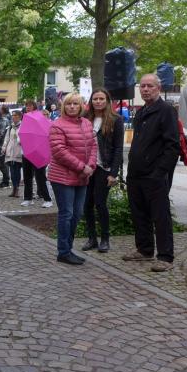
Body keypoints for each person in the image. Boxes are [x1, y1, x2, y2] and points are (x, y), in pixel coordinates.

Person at [123, 74, 180, 273]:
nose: (145, 89)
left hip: (154, 174)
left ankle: (165, 256)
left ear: (158, 88)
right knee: (139, 214)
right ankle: (145, 249)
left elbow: (173, 146)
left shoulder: (166, 111)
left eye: (150, 86)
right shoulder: (141, 112)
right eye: (143, 86)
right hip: (136, 173)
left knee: (160, 216)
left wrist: (160, 171)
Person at [49, 93, 97, 265]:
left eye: (75, 104)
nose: (72, 107)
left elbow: (93, 146)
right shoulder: (58, 125)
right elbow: (59, 152)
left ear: (81, 106)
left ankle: (68, 249)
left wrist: (90, 166)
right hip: (62, 177)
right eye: (68, 104)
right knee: (67, 214)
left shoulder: (86, 123)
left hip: (82, 176)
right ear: (64, 106)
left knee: (77, 214)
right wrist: (82, 167)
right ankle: (63, 251)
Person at [82, 89, 124, 253]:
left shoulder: (115, 119)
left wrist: (113, 173)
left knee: (100, 203)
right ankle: (92, 238)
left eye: (101, 99)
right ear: (91, 101)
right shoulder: (85, 118)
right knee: (86, 204)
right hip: (87, 167)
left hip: (104, 167)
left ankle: (105, 239)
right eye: (95, 99)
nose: (98, 102)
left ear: (107, 101)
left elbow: (118, 148)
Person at [21, 100, 54, 208]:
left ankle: (47, 199)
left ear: (34, 106)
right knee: (27, 177)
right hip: (26, 151)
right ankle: (28, 198)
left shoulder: (39, 117)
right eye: (26, 106)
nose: (28, 107)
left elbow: (45, 132)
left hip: (38, 152)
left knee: (40, 177)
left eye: (30, 105)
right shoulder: (26, 118)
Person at [1, 109, 23, 198]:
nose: (13, 117)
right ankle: (14, 188)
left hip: (18, 151)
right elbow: (7, 138)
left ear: (19, 117)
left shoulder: (23, 126)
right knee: (12, 171)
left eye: (15, 115)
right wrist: (4, 147)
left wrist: (19, 137)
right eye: (12, 115)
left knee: (17, 170)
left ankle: (17, 189)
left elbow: (23, 139)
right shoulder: (10, 127)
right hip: (10, 151)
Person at [0, 105, 12, 189]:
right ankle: (5, 180)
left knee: (2, 164)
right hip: (3, 145)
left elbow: (1, 134)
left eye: (0, 109)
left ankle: (6, 181)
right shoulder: (7, 119)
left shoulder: (4, 120)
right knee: (3, 164)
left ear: (2, 111)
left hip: (1, 145)